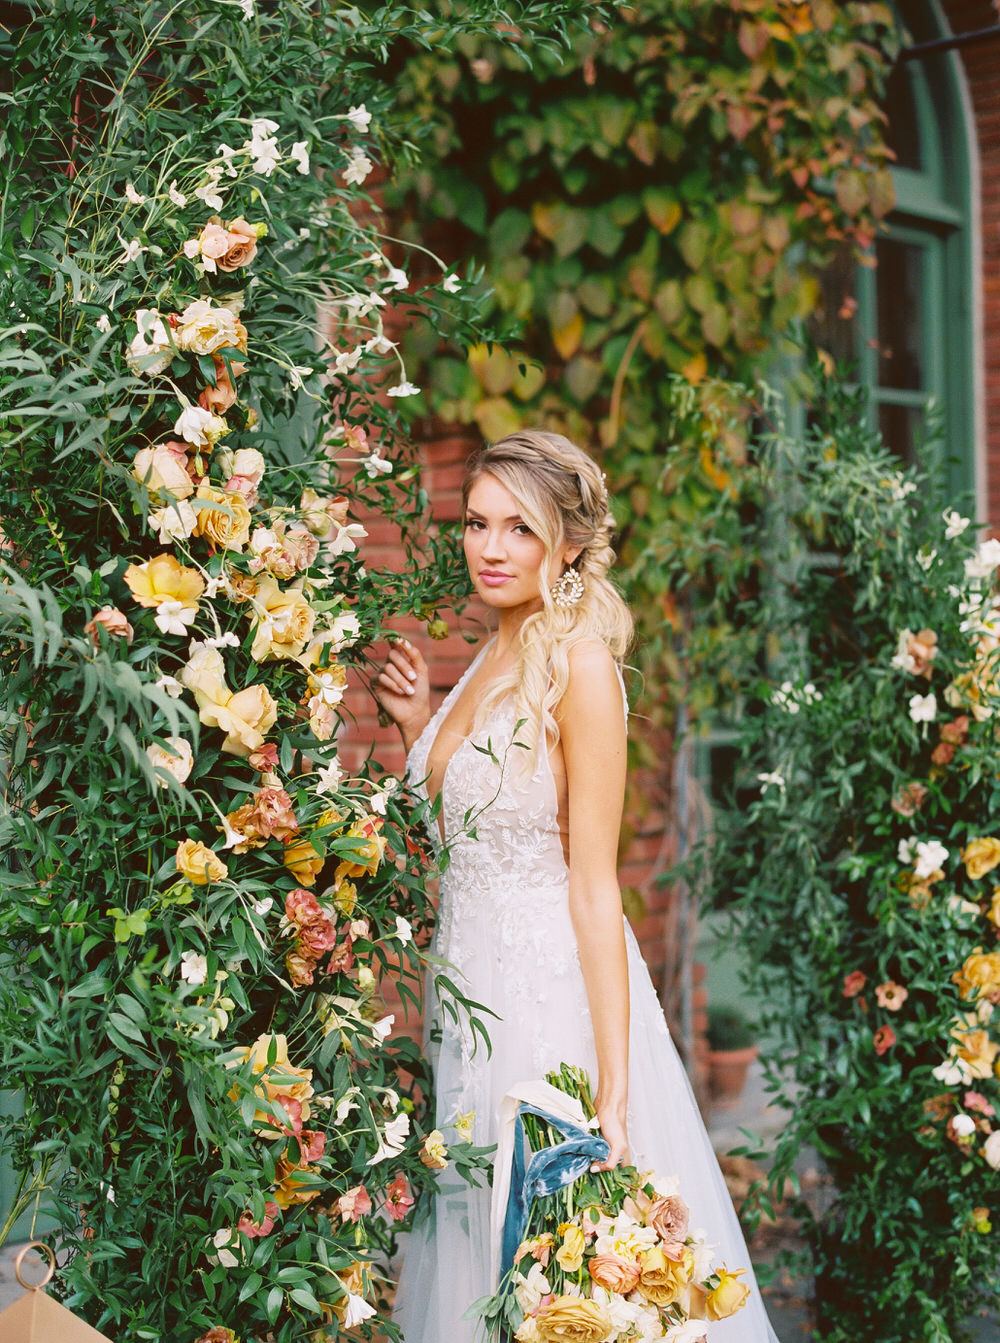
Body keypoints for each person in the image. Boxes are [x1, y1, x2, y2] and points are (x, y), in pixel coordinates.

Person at [375, 430, 780, 1342]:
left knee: (552, 1263)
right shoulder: (492, 648)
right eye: (478, 523)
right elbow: (471, 823)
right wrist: (417, 729)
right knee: (478, 1242)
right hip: (466, 992)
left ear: (566, 542)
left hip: (542, 1001)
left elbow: (596, 888)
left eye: (519, 528)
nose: (489, 547)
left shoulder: (582, 668)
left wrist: (614, 1090)